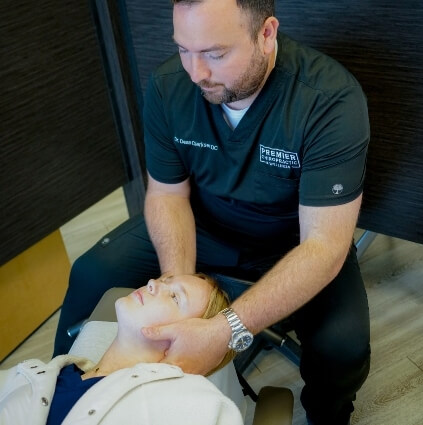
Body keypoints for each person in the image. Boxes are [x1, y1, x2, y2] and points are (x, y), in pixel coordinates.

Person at [54, 0, 371, 423]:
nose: (195, 72)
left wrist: (227, 328)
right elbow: (166, 194)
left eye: (215, 54)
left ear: (266, 33)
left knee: (342, 346)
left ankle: (326, 416)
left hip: (296, 241)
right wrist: (175, 288)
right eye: (184, 49)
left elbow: (325, 245)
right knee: (92, 273)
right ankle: (63, 389)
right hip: (203, 227)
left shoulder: (328, 99)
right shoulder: (170, 86)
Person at [0, 274, 241, 425]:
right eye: (164, 279)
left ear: (191, 343)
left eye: (175, 298)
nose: (152, 283)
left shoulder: (189, 401)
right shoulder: (46, 374)